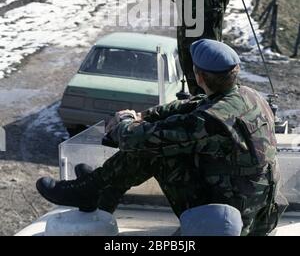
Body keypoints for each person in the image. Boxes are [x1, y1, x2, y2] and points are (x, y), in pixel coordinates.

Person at [36, 39, 286, 236]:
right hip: (257, 214)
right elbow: (190, 106)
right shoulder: (249, 96)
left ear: (199, 76)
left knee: (152, 151)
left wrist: (124, 123)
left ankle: (92, 189)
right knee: (160, 142)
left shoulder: (210, 121)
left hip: (233, 223)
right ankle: (100, 189)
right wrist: (143, 115)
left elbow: (135, 139)